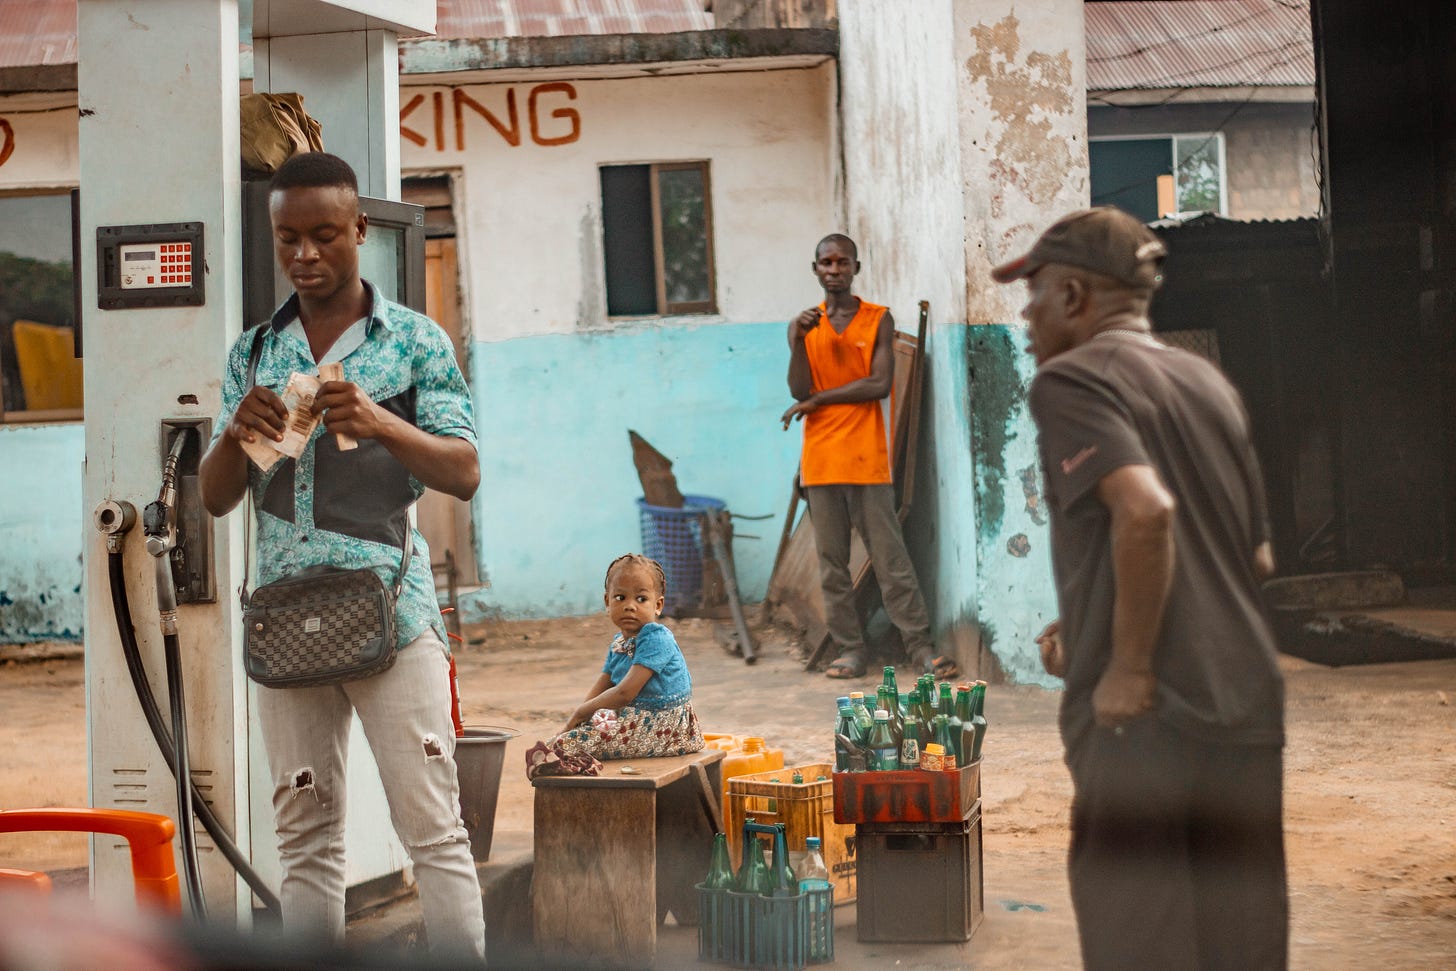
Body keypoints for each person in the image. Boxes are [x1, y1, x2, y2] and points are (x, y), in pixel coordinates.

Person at [199, 152, 485, 958]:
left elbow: (463, 472)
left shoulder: (416, 343)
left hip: (395, 621)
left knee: (434, 831)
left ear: (361, 229)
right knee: (306, 843)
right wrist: (235, 431)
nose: (305, 255)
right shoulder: (254, 354)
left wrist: (378, 417)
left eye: (325, 234)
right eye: (288, 237)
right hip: (287, 625)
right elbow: (217, 498)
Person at [995, 207, 1287, 969]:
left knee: (1141, 943)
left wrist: (1126, 666)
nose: (1025, 313)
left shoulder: (1071, 379)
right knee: (1240, 947)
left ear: (1074, 297)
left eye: (1033, 292)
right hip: (1245, 705)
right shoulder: (1206, 382)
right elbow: (1252, 559)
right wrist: (1086, 621)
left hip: (1147, 726)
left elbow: (1147, 512)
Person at [781, 234, 955, 681]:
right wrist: (799, 342)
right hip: (821, 462)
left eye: (843, 262)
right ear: (814, 268)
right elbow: (800, 389)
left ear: (856, 268)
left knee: (890, 558)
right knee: (833, 564)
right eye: (826, 262)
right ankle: (850, 650)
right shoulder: (803, 325)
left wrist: (820, 402)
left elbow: (879, 384)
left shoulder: (878, 319)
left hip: (866, 459)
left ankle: (920, 647)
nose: (834, 270)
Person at [528, 555, 704, 775]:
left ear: (658, 605)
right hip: (629, 717)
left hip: (663, 726)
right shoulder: (619, 642)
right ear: (607, 602)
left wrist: (582, 712)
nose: (629, 606)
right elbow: (603, 683)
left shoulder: (657, 639)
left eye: (641, 599)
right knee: (563, 740)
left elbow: (624, 693)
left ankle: (566, 763)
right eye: (620, 597)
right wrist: (579, 720)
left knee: (566, 748)